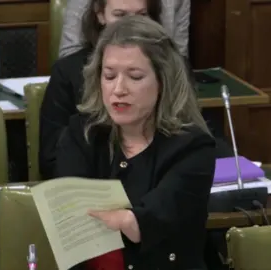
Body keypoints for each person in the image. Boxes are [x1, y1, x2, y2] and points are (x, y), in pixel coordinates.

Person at [56, 15, 216, 270]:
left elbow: (149, 220)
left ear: (163, 82)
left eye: (135, 76)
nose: (119, 89)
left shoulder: (193, 148)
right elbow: (69, 222)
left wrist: (124, 219)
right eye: (109, 76)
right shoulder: (82, 134)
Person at [40, 0, 165, 180]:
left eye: (141, 16)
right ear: (100, 14)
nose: (130, 26)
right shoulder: (80, 129)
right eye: (120, 15)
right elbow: (51, 161)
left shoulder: (186, 138)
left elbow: (213, 162)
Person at [59, 0, 190, 57]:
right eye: (120, 15)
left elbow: (179, 55)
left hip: (158, 71)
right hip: (94, 75)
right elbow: (69, 56)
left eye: (142, 14)